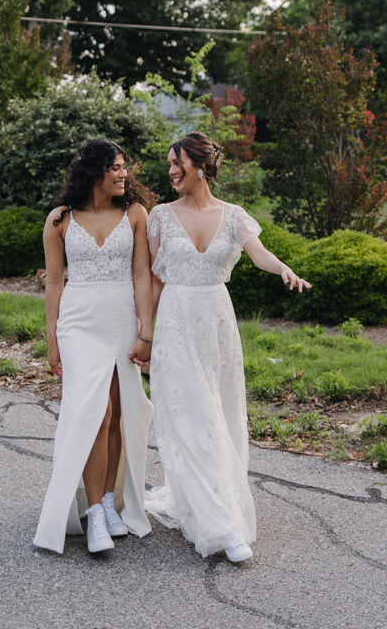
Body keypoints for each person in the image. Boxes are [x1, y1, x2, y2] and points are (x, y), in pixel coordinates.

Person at [145, 132, 311, 563]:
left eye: (177, 162)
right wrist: (144, 332)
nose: (171, 171)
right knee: (191, 415)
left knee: (219, 413)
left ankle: (217, 503)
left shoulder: (234, 215)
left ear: (200, 165)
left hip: (217, 323)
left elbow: (259, 254)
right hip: (176, 322)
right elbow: (152, 279)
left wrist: (283, 269)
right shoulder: (159, 216)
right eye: (168, 164)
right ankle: (222, 528)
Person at [33, 139, 154, 554]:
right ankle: (96, 517)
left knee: (119, 413)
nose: (123, 174)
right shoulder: (59, 220)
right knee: (95, 414)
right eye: (115, 168)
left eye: (124, 167)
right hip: (79, 321)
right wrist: (52, 340)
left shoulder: (135, 214)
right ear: (94, 172)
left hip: (122, 317)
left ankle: (107, 501)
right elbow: (53, 283)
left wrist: (146, 330)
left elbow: (142, 275)